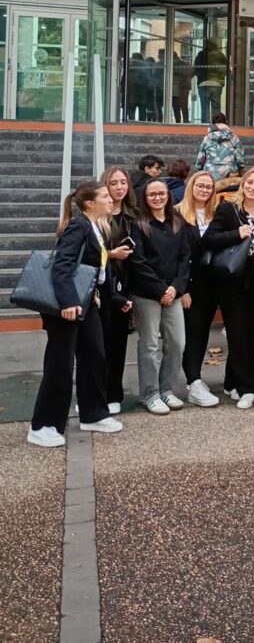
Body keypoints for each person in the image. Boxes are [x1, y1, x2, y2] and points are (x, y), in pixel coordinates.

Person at [28, 182, 123, 446]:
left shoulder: (95, 227)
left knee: (95, 355)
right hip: (67, 306)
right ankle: (43, 425)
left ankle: (93, 413)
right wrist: (68, 301)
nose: (111, 198)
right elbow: (63, 265)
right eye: (105, 196)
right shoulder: (78, 226)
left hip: (85, 302)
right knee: (60, 364)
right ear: (90, 204)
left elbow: (92, 267)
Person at [202, 167, 254, 409]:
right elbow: (209, 239)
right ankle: (250, 388)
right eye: (250, 182)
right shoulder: (229, 209)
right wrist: (236, 233)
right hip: (232, 279)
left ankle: (231, 381)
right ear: (243, 185)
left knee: (249, 333)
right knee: (236, 333)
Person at [129, 179, 191, 414]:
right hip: (147, 294)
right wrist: (160, 289)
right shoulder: (139, 224)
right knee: (150, 344)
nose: (157, 198)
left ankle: (166, 390)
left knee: (177, 342)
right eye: (152, 194)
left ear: (168, 195)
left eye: (161, 193)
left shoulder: (177, 222)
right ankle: (149, 393)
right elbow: (139, 261)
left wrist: (175, 288)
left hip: (173, 293)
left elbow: (185, 257)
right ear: (145, 198)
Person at [177, 171, 219, 408]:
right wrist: (183, 289)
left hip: (211, 284)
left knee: (203, 333)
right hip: (189, 285)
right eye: (200, 186)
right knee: (191, 334)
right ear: (191, 186)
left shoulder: (216, 213)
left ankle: (196, 379)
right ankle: (192, 382)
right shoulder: (178, 214)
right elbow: (176, 254)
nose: (204, 190)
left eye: (209, 187)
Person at [100, 166, 137, 414]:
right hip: (101, 287)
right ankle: (94, 393)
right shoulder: (96, 215)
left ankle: (114, 393)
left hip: (125, 285)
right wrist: (111, 254)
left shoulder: (133, 215)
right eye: (114, 183)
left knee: (118, 342)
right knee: (97, 344)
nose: (120, 187)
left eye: (123, 182)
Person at [195, 113, 245, 181]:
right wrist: (240, 169)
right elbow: (239, 159)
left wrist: (198, 170)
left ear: (213, 123)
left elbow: (200, 159)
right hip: (230, 175)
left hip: (210, 175)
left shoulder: (207, 138)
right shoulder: (234, 138)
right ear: (226, 122)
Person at [194, 39, 228, 123]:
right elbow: (226, 70)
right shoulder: (221, 55)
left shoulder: (201, 54)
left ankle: (204, 126)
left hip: (203, 83)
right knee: (216, 106)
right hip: (216, 84)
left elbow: (196, 69)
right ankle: (217, 125)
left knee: (204, 108)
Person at [172, 51, 193, 124]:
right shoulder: (185, 63)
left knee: (176, 108)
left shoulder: (171, 63)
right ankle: (185, 122)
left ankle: (178, 123)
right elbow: (192, 72)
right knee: (184, 107)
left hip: (175, 88)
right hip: (184, 88)